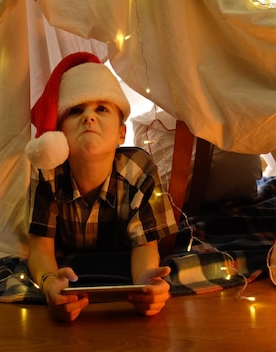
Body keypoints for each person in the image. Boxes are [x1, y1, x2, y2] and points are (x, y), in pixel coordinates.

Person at [25, 52, 178, 322]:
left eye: (101, 109)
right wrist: (49, 284)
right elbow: (40, 247)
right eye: (76, 110)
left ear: (121, 133)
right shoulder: (48, 174)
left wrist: (145, 282)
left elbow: (145, 246)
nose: (89, 118)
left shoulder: (140, 170)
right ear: (60, 132)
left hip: (121, 254)